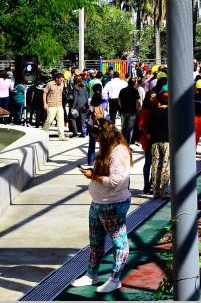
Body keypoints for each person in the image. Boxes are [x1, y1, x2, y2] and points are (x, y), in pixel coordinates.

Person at [70, 122, 133, 294]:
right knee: (95, 241)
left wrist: (94, 176)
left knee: (119, 242)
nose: (97, 142)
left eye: (98, 139)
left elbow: (115, 182)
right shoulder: (106, 150)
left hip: (113, 204)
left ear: (105, 137)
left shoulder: (119, 151)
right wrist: (93, 173)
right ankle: (92, 274)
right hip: (98, 202)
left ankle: (115, 278)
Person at [149, 91, 171, 198]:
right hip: (167, 141)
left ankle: (155, 191)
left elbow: (149, 128)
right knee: (165, 166)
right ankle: (164, 190)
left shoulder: (153, 112)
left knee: (155, 165)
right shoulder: (171, 112)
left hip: (155, 141)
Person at [42, 72, 67, 140]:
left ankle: (61, 136)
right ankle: (43, 133)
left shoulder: (62, 85)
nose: (62, 81)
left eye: (62, 80)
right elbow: (45, 93)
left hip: (59, 105)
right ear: (57, 78)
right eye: (61, 80)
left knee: (61, 121)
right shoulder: (50, 84)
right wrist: (45, 103)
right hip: (51, 105)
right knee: (49, 120)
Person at [118, 78, 141, 145]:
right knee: (129, 129)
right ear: (134, 83)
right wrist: (138, 108)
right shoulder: (135, 91)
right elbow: (138, 102)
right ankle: (127, 143)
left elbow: (119, 101)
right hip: (132, 112)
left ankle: (122, 142)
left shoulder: (122, 90)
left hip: (124, 111)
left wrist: (121, 108)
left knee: (124, 128)